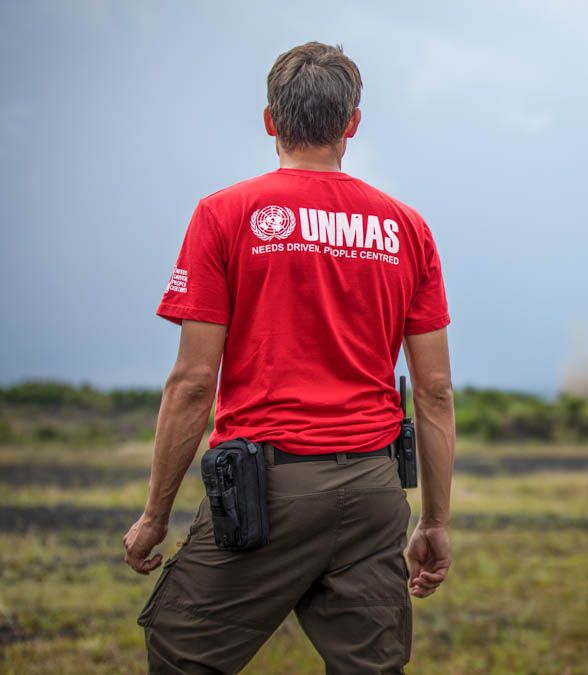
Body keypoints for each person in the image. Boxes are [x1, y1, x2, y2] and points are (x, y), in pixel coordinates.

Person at [121, 41, 456, 673]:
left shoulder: (224, 215)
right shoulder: (407, 228)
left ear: (271, 119)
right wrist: (435, 521)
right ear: (352, 124)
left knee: (181, 649)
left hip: (267, 489)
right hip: (374, 490)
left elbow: (194, 383)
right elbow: (434, 393)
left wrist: (154, 516)